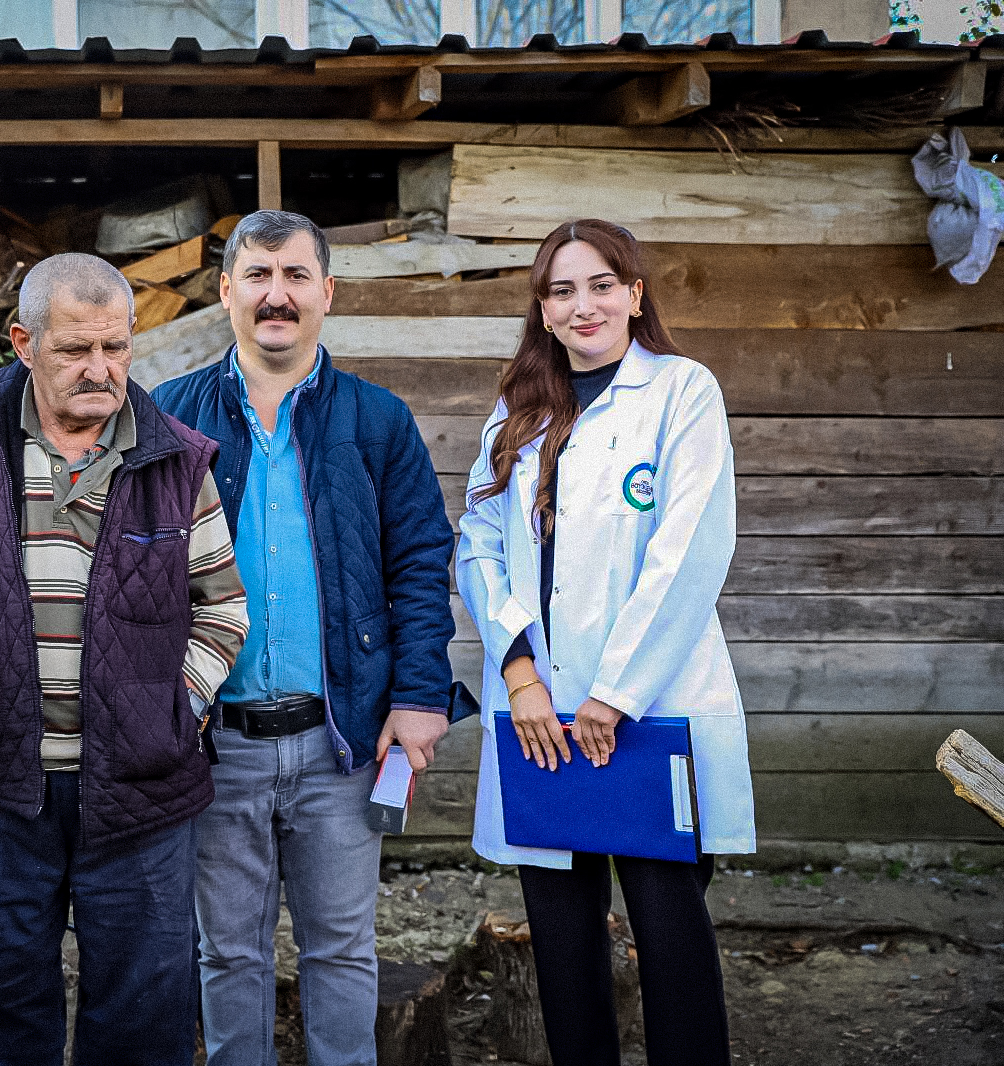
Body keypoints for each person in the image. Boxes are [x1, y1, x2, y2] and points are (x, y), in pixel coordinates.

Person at [0, 252, 249, 1066]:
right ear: (24, 343)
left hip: (140, 784)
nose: (100, 369)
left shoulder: (176, 458)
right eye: (75, 350)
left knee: (143, 1004)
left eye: (115, 347)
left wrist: (174, 711)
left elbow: (223, 609)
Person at [154, 210, 457, 1066]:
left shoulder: (377, 420)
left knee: (342, 952)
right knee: (228, 954)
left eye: (295, 276)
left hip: (342, 742)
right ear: (226, 292)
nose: (276, 295)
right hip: (216, 744)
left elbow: (420, 561)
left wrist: (419, 693)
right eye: (258, 276)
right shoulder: (170, 417)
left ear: (328, 292)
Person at [457, 219, 756, 1066]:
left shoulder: (681, 392)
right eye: (561, 291)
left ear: (634, 293)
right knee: (562, 946)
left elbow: (689, 551)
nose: (581, 305)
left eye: (600, 285)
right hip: (541, 718)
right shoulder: (518, 410)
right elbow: (478, 544)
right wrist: (521, 675)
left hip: (648, 710)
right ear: (543, 310)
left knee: (671, 937)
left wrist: (614, 694)